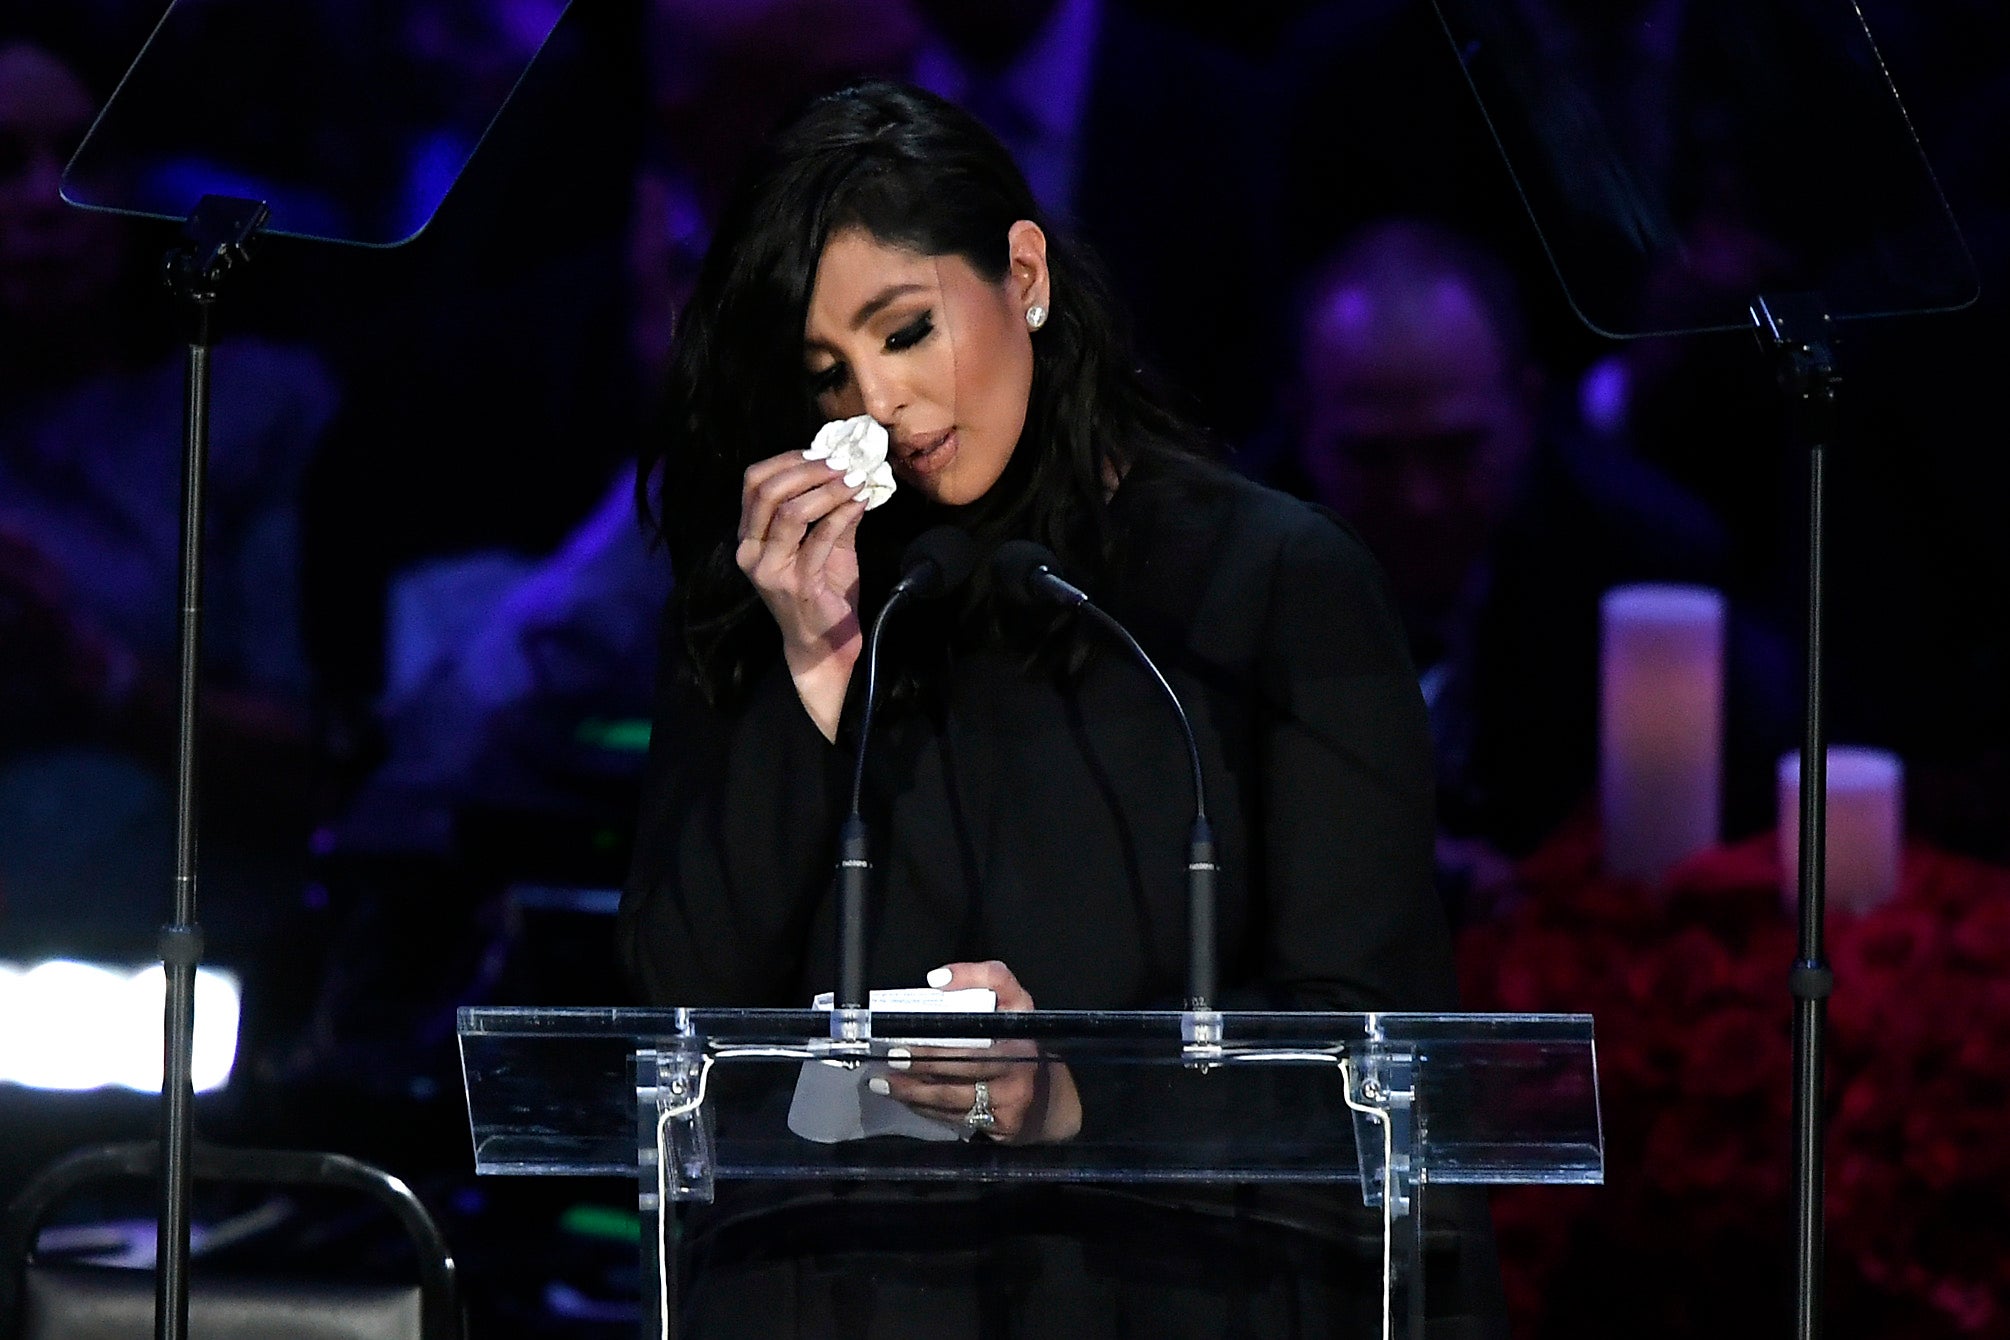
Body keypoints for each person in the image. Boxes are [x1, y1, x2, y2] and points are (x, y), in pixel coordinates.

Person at [618, 81, 1502, 1336]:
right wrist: (810, 673)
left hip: (1169, 1289)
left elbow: (1376, 1061)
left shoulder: (1268, 584)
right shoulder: (783, 595)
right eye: (829, 372)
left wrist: (1071, 1095)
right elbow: (676, 1025)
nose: (876, 403)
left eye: (907, 330)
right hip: (844, 1292)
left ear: (1022, 274)